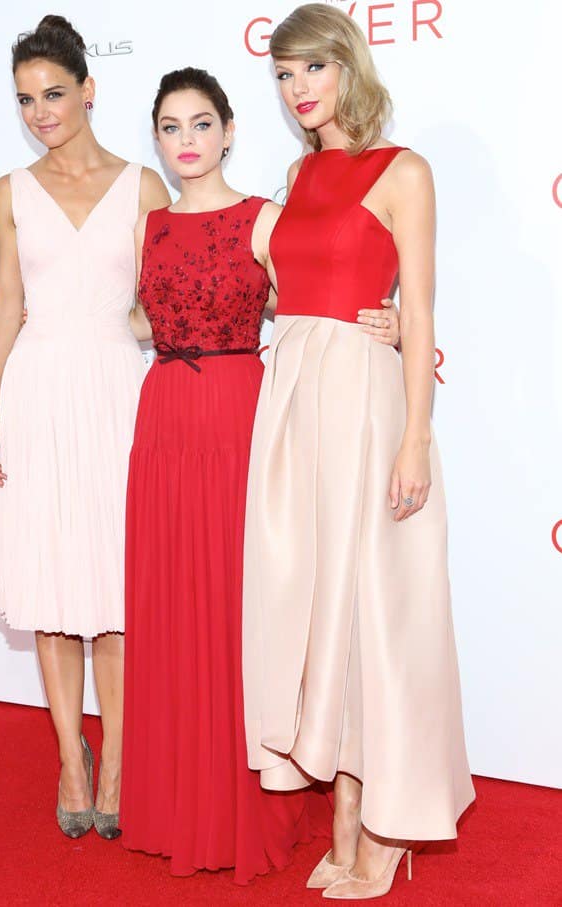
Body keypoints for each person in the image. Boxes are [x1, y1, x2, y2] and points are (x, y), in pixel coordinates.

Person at [120, 67, 400, 884]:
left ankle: (245, 808)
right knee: (171, 606)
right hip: (165, 418)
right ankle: (176, 808)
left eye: (201, 124)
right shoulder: (148, 226)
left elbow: (322, 293)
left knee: (242, 613)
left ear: (231, 130)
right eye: (170, 128)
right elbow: (138, 314)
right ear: (159, 140)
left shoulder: (265, 218)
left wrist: (395, 318)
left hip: (243, 416)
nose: (187, 142)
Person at [242, 4, 475, 899]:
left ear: (347, 67)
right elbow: (286, 296)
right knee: (319, 615)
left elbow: (416, 312)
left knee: (378, 613)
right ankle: (342, 812)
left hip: (371, 411)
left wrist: (416, 436)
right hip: (295, 405)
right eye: (284, 76)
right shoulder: (296, 178)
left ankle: (386, 823)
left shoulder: (403, 171)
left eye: (312, 69)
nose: (300, 89)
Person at [0, 15, 169, 840]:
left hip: (120, 390)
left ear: (90, 90)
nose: (40, 111)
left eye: (54, 94)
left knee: (114, 591)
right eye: (26, 100)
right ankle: (70, 757)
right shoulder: (9, 191)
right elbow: (6, 302)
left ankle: (118, 760)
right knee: (52, 588)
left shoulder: (144, 187)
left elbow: (165, 303)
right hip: (39, 389)